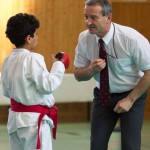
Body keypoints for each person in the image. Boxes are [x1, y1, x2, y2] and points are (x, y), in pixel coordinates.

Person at [74, 0, 150, 150]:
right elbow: (78, 74)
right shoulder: (84, 38)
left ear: (108, 17)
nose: (88, 22)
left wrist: (130, 99)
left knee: (130, 146)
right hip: (102, 95)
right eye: (85, 17)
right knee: (97, 145)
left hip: (132, 94)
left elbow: (149, 72)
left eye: (93, 18)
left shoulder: (131, 39)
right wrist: (90, 69)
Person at [1, 13, 66, 150]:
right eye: (36, 34)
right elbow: (49, 85)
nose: (38, 38)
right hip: (33, 122)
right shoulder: (32, 58)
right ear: (29, 38)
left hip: (14, 121)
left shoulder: (7, 61)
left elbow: (7, 92)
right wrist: (58, 65)